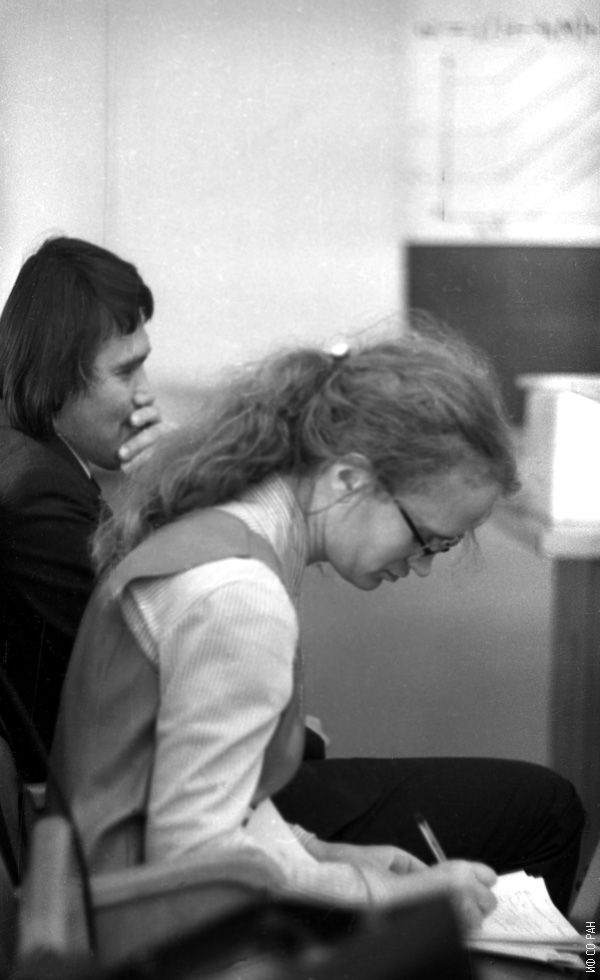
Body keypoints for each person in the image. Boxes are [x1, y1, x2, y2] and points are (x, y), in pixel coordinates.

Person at [51, 325, 583, 926]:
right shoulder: (237, 593)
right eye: (429, 539)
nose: (424, 565)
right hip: (147, 937)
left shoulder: (233, 537)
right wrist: (387, 895)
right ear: (349, 480)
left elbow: (220, 796)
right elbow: (197, 855)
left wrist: (321, 852)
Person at [0, 236, 165, 780]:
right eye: (126, 372)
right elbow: (144, 669)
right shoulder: (39, 493)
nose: (146, 394)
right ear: (58, 374)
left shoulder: (27, 454)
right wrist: (170, 494)